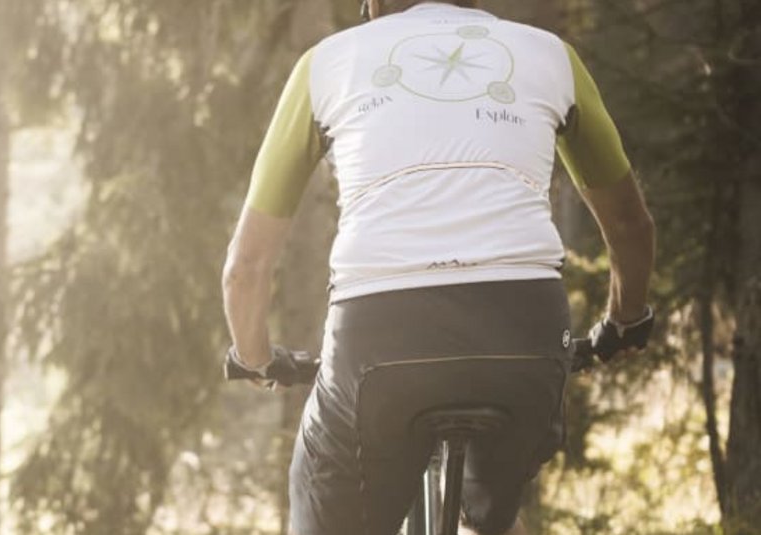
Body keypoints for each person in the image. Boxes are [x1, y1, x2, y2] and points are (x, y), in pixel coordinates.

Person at [220, 1, 656, 534]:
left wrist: (256, 358)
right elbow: (631, 230)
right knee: (494, 515)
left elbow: (245, 268)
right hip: (526, 336)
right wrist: (623, 323)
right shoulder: (551, 56)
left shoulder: (326, 64)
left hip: (379, 344)